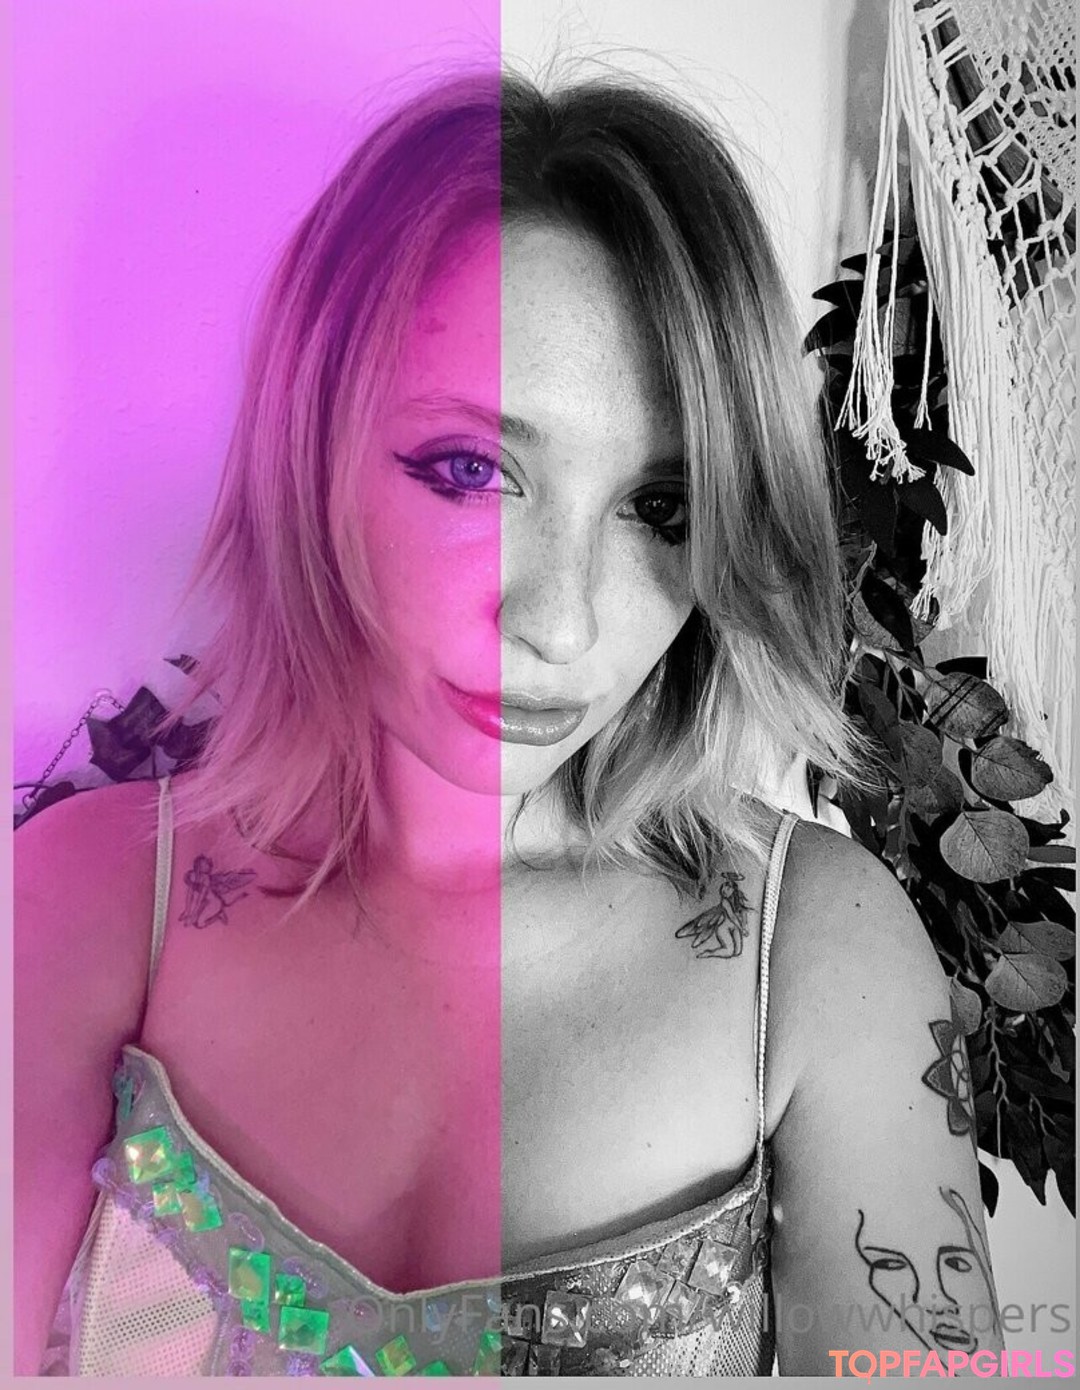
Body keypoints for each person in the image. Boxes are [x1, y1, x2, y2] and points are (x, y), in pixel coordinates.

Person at [14, 67, 1003, 1377]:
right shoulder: (86, 901)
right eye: (473, 470)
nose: (562, 621)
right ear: (311, 452)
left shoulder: (818, 954)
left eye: (661, 509)